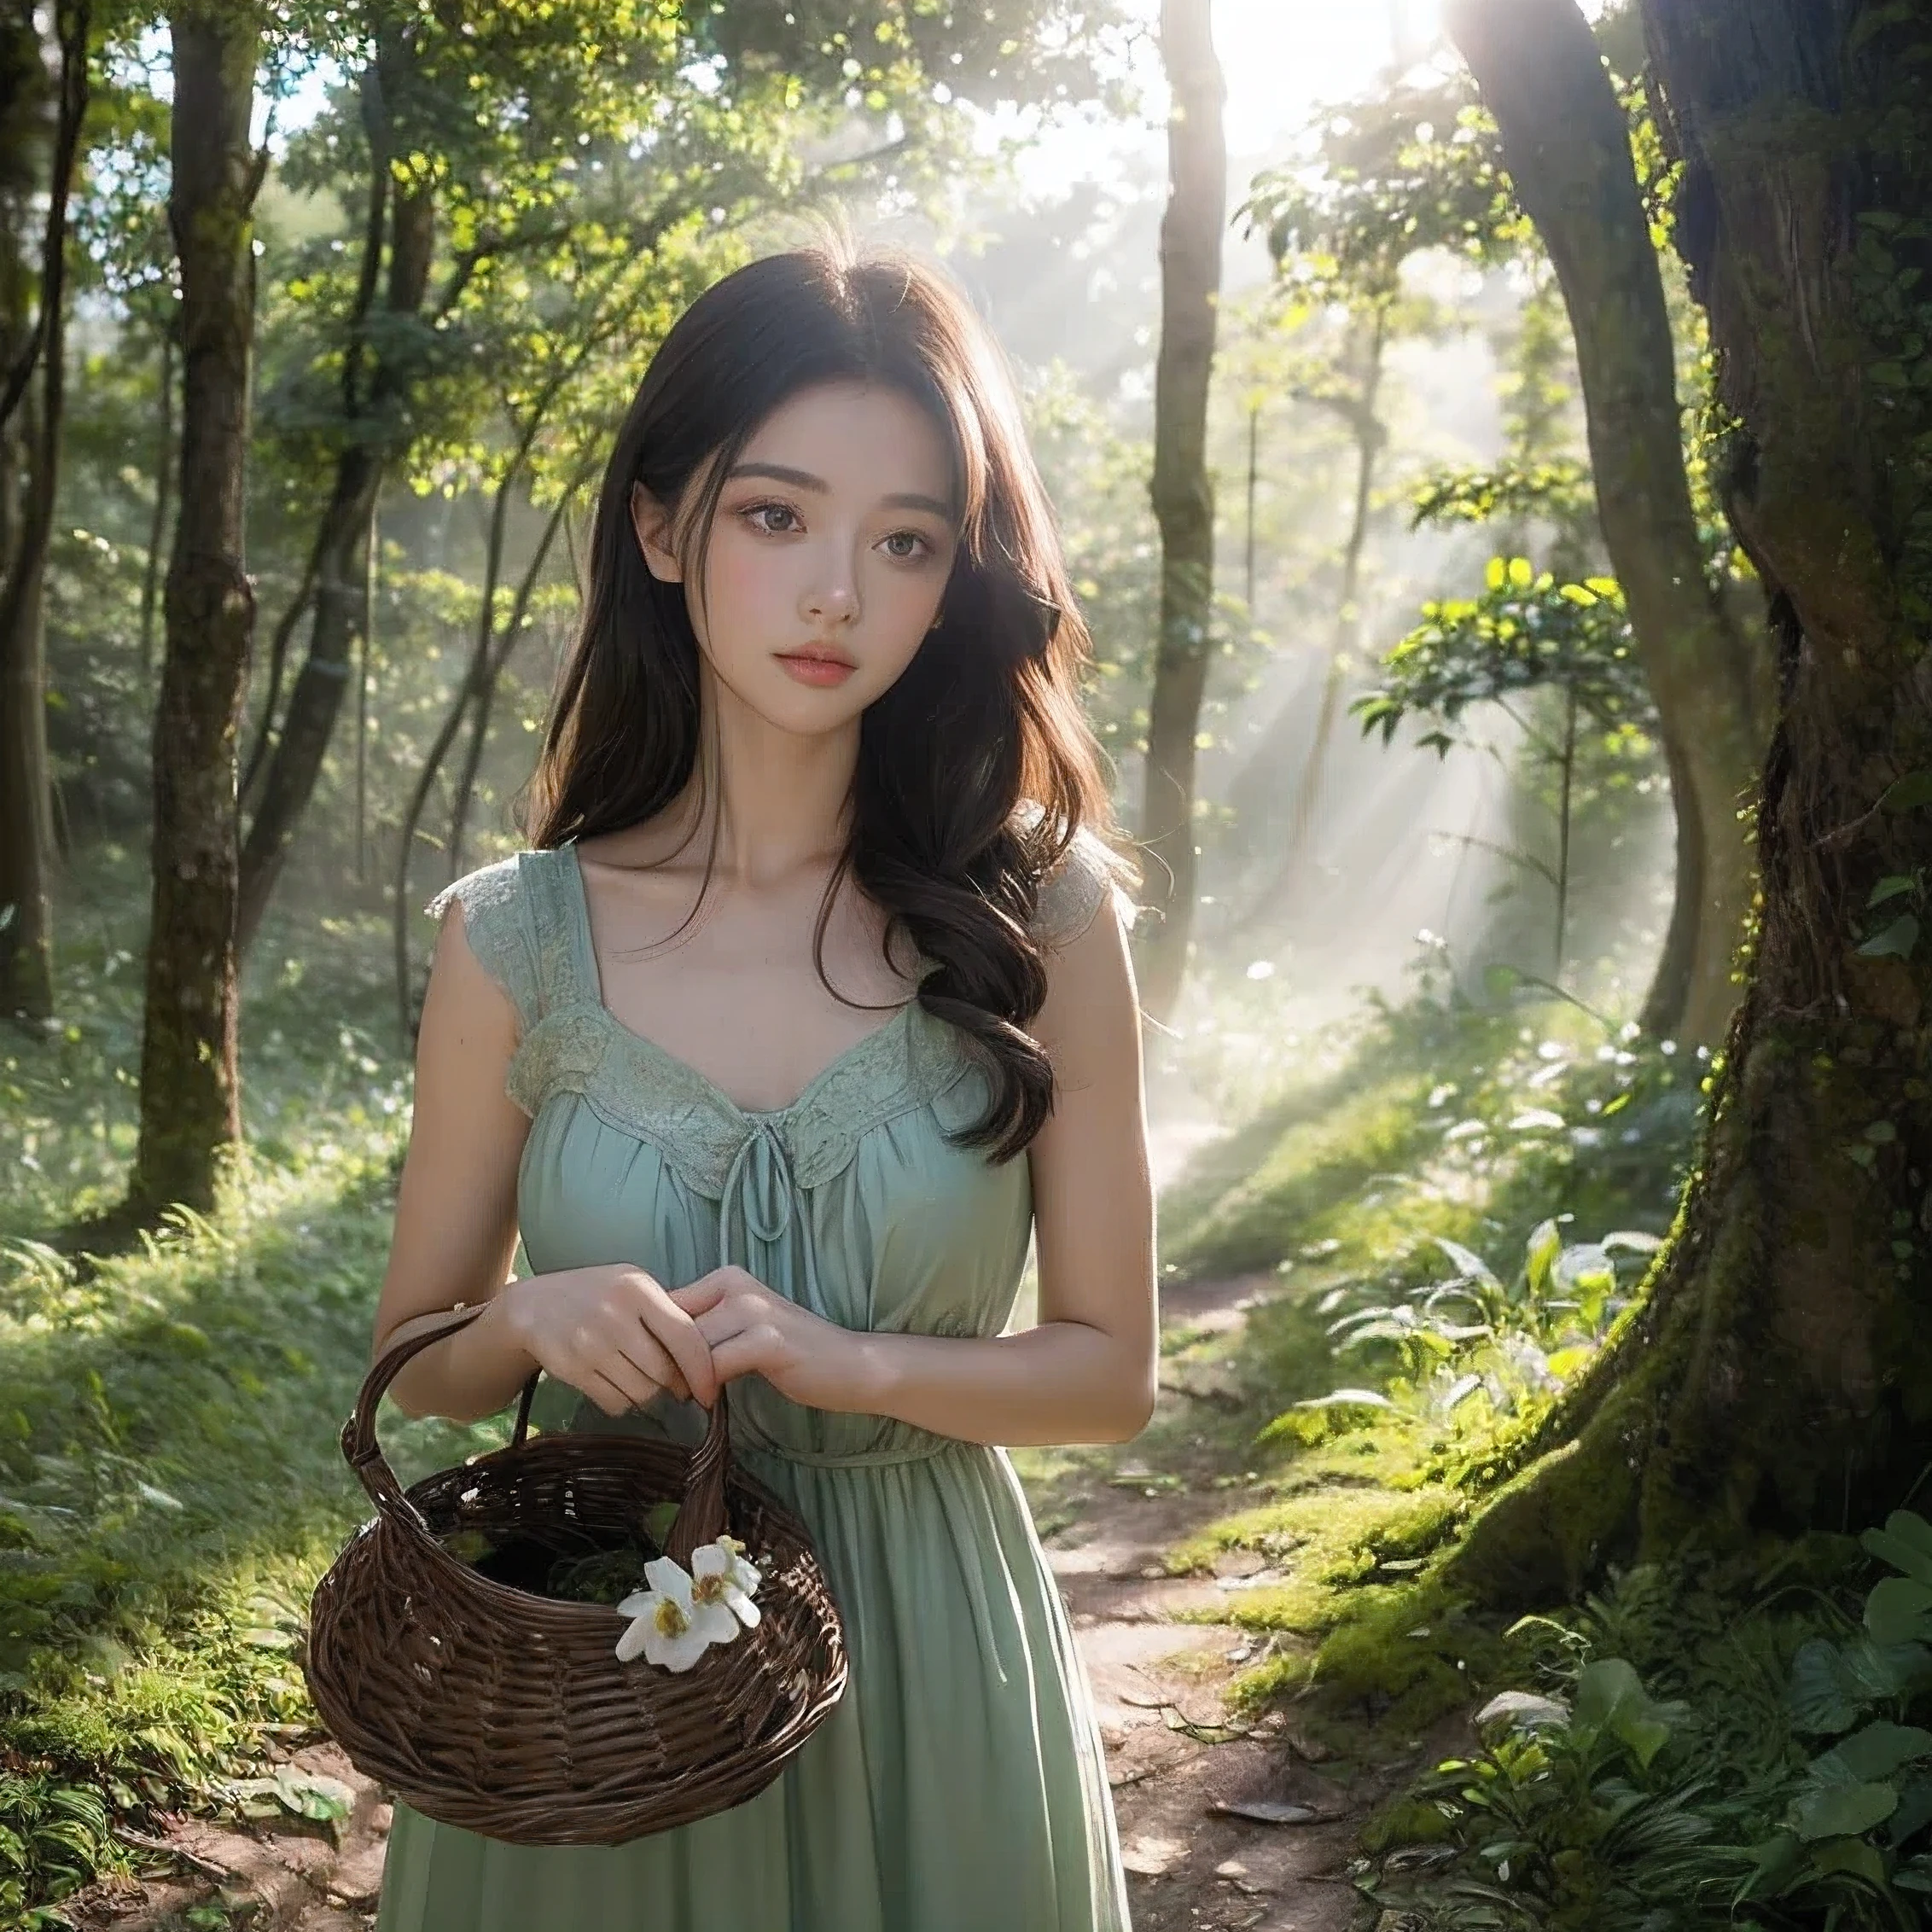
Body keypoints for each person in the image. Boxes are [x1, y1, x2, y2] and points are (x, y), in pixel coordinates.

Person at [366, 239, 1156, 1932]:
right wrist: (529, 1317)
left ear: (956, 580)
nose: (836, 598)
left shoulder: (1046, 919)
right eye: (775, 515)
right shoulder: (518, 940)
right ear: (662, 528)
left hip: (929, 1662)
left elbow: (1110, 1373)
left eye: (906, 543)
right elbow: (412, 1362)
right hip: (600, 1682)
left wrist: (850, 1359)